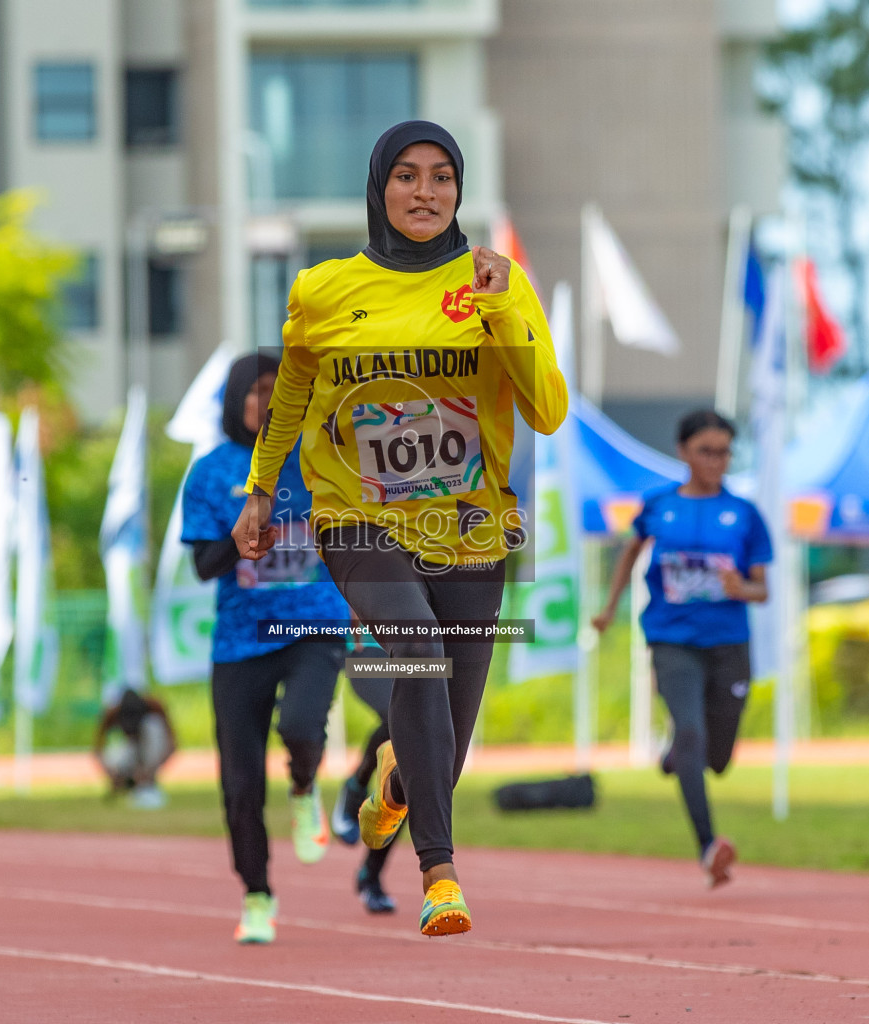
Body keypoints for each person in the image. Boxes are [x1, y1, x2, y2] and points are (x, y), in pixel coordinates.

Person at [233, 120, 567, 936]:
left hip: (470, 525)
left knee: (445, 741)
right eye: (408, 177)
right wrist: (257, 493)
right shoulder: (323, 289)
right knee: (414, 653)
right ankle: (440, 875)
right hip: (355, 516)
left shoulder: (497, 280)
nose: (426, 192)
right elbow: (290, 404)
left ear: (459, 190)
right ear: (379, 187)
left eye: (443, 177)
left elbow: (547, 411)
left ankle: (391, 787)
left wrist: (501, 315)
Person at [181, 352, 350, 945]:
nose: (270, 402)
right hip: (240, 638)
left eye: (282, 391)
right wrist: (239, 539)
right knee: (240, 784)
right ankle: (257, 894)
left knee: (303, 723)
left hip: (315, 624)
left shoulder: (323, 459)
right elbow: (204, 568)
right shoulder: (209, 473)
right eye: (258, 392)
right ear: (236, 400)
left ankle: (304, 786)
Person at [593, 409, 772, 889]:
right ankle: (709, 846)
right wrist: (610, 607)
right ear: (684, 451)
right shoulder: (658, 506)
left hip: (728, 642)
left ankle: (677, 756)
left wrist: (740, 588)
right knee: (690, 731)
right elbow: (631, 550)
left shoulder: (746, 514)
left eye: (724, 452)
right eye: (706, 451)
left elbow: (763, 590)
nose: (716, 461)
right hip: (672, 640)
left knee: (716, 758)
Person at [330, 635, 401, 915]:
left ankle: (371, 874)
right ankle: (357, 782)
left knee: (410, 760)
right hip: (365, 643)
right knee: (397, 714)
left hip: (417, 645)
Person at [93, 687, 176, 808]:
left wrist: (150, 771)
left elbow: (173, 746)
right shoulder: (112, 713)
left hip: (151, 748)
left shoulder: (154, 707)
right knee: (116, 756)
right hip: (129, 748)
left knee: (153, 726)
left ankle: (147, 784)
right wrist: (112, 774)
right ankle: (129, 782)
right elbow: (97, 750)